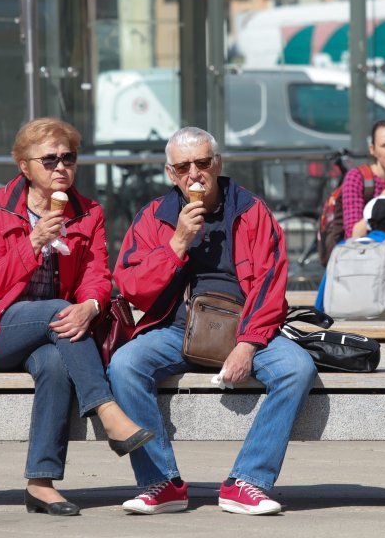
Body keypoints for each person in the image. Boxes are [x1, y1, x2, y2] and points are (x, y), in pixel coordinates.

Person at [0, 118, 154, 516]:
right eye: (49, 159)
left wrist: (90, 306)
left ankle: (41, 484)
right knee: (57, 310)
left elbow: (96, 275)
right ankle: (107, 412)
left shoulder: (88, 212)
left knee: (54, 364)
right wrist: (33, 243)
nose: (60, 168)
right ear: (24, 166)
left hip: (55, 334)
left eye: (68, 158)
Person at [107, 127, 317, 516]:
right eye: (184, 167)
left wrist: (248, 343)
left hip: (246, 326)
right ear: (171, 174)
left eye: (203, 163)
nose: (195, 174)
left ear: (217, 164)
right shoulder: (155, 216)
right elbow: (131, 284)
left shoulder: (251, 210)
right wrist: (177, 243)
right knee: (124, 364)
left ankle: (247, 481)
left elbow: (271, 282)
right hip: (175, 327)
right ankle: (161, 483)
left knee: (296, 367)